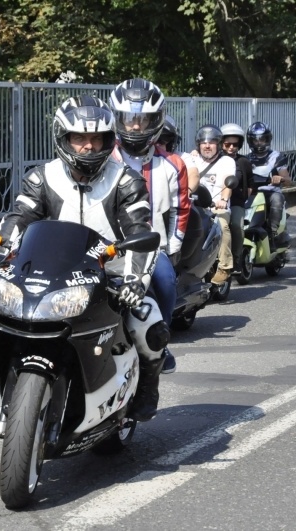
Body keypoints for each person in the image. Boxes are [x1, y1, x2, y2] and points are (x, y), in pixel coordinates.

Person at [0, 95, 169, 421]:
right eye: (80, 138)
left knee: (149, 322)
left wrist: (133, 282)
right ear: (63, 138)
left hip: (109, 273)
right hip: (50, 273)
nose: (88, 146)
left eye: (96, 138)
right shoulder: (41, 178)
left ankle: (146, 388)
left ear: (108, 140)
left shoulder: (126, 180)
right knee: (2, 318)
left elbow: (141, 234)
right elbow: (17, 220)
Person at [110, 78, 190, 376]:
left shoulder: (172, 164)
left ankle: (160, 340)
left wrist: (174, 245)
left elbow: (181, 208)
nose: (135, 127)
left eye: (143, 120)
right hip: (105, 245)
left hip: (152, 248)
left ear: (156, 121)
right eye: (129, 119)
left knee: (166, 281)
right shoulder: (102, 160)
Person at [193, 124, 236, 284]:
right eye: (204, 142)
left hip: (216, 208)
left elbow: (227, 182)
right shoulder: (193, 160)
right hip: (196, 207)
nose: (207, 146)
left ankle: (225, 266)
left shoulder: (226, 161)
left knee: (222, 225)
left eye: (211, 142)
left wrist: (224, 200)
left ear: (218, 144)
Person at [247, 122, 292, 249]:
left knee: (277, 200)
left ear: (268, 139)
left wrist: (280, 178)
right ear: (250, 141)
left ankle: (273, 234)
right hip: (254, 192)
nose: (259, 143)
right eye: (255, 140)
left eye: (262, 139)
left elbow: (288, 180)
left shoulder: (277, 157)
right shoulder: (247, 159)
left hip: (271, 192)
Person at [220, 123, 253, 272]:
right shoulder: (215, 159)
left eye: (235, 144)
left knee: (236, 225)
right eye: (227, 144)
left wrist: (243, 198)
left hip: (235, 202)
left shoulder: (243, 162)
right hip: (214, 201)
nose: (231, 147)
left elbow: (250, 184)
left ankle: (237, 257)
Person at [158, 115, 200, 193]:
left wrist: (187, 191)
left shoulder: (183, 157)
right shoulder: (142, 158)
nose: (158, 144)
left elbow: (194, 174)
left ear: (172, 142)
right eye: (155, 140)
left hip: (176, 201)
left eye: (163, 139)